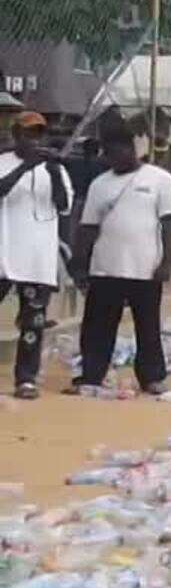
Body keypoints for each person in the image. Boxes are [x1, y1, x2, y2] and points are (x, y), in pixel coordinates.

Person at [69, 126, 171, 395]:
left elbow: (169, 223)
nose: (117, 156)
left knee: (148, 326)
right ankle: (91, 375)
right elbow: (89, 227)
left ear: (133, 150)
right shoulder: (100, 184)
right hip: (105, 268)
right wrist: (79, 261)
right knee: (97, 326)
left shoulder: (160, 180)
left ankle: (152, 377)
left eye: (122, 150)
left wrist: (166, 261)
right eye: (110, 153)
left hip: (145, 268)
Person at [0, 113, 72, 398]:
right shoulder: (3, 162)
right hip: (3, 257)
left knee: (33, 323)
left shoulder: (54, 170)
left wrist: (52, 170)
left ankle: (26, 379)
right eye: (29, 134)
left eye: (39, 134)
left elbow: (64, 205)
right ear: (16, 135)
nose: (35, 140)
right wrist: (25, 168)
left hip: (36, 261)